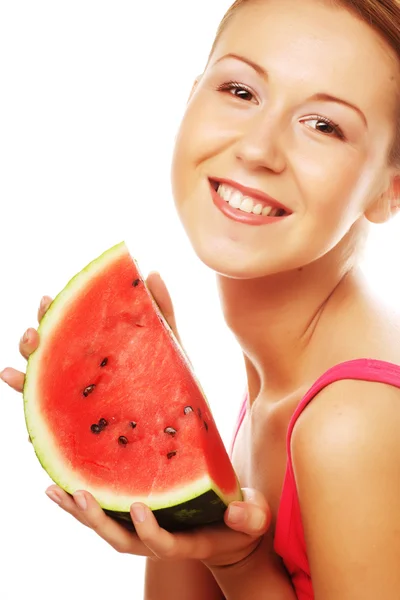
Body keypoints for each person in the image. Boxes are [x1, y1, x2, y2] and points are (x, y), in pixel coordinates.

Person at [2, 0, 400, 597]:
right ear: (190, 97)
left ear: (389, 191)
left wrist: (240, 565)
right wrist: (162, 412)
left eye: (324, 125)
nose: (258, 149)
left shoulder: (351, 424)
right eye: (240, 91)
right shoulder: (283, 380)